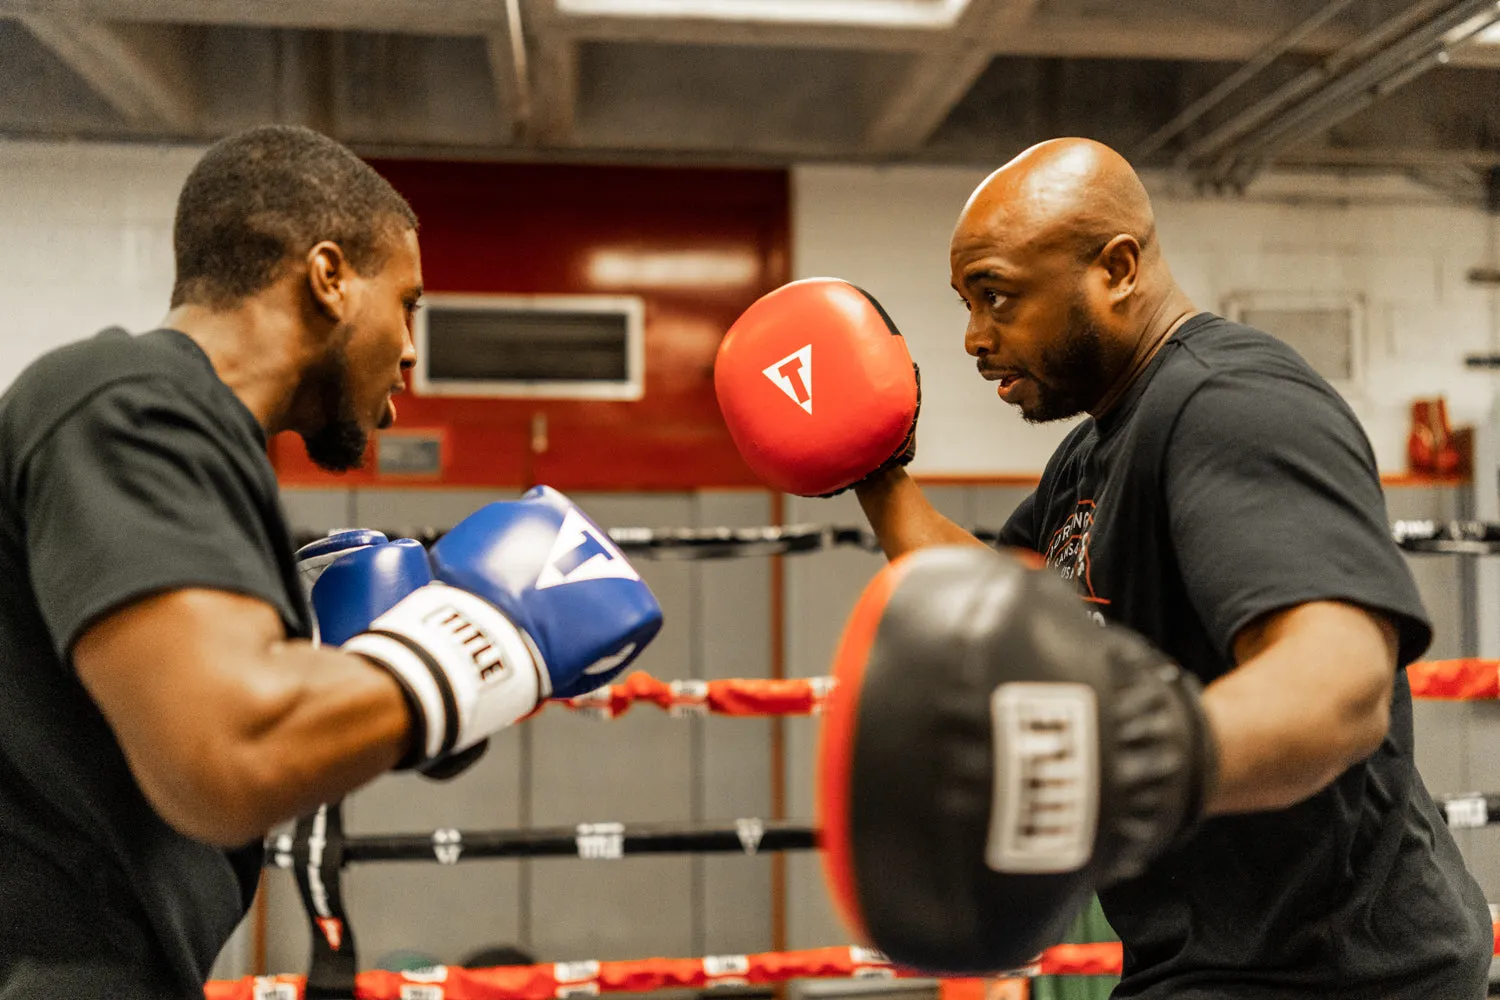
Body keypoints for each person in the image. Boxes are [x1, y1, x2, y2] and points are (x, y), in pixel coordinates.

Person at [716, 138, 1492, 998]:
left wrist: (1129, 760)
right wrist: (872, 468)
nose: (974, 338)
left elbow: (1340, 685)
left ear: (1117, 268)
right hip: (1208, 963)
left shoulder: (1230, 404)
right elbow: (995, 603)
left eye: (997, 296)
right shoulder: (1096, 448)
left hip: (1339, 976)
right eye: (966, 303)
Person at [0, 125, 660, 998]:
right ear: (329, 277)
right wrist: (478, 641)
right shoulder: (121, 403)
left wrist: (365, 672)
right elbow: (230, 758)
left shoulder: (205, 460)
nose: (413, 350)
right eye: (409, 302)